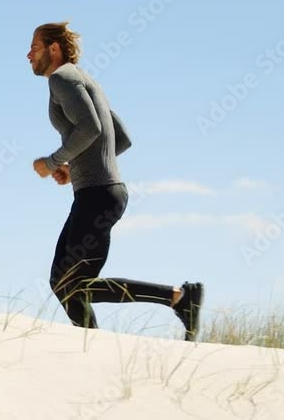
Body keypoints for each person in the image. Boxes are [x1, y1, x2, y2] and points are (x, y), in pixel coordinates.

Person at [27, 21, 204, 341]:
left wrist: (52, 162)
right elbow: (120, 138)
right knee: (62, 283)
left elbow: (91, 129)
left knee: (73, 285)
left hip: (97, 195)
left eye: (34, 47)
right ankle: (93, 346)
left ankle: (179, 298)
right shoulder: (86, 80)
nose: (29, 55)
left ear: (54, 48)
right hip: (99, 193)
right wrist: (75, 167)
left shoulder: (62, 78)